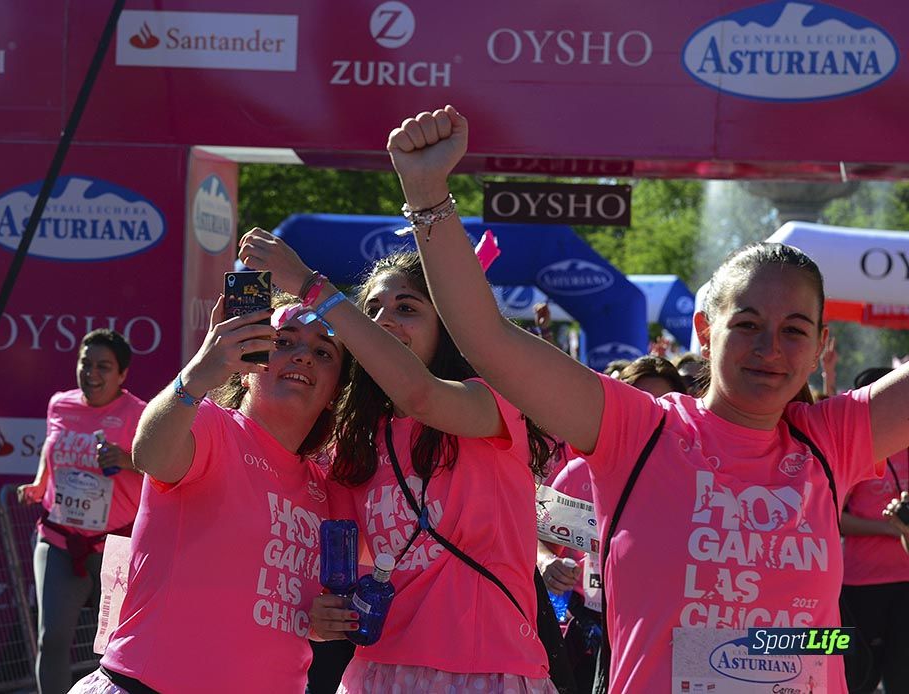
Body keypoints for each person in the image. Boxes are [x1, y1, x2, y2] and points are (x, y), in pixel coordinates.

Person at [385, 104, 909, 692]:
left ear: (820, 347)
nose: (771, 348)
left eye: (794, 330)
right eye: (748, 324)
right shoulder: (637, 429)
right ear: (707, 333)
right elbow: (486, 339)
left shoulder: (831, 439)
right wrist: (428, 193)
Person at [236, 233, 558, 693]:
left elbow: (421, 394)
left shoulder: (492, 405)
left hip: (487, 669)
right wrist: (320, 612)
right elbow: (339, 569)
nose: (384, 321)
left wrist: (310, 286)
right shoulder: (356, 441)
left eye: (406, 308)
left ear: (446, 327)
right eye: (372, 311)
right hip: (378, 672)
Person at [73, 295, 351, 693]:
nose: (304, 356)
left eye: (323, 351)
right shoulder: (212, 424)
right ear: (245, 370)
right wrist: (199, 374)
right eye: (284, 341)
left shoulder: (327, 487)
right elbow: (150, 454)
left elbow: (287, 603)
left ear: (334, 394)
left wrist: (318, 618)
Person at [542, 356, 687, 692]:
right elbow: (537, 537)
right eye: (637, 404)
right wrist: (547, 562)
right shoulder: (582, 472)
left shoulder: (699, 482)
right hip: (590, 632)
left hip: (671, 634)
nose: (648, 417)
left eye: (659, 407)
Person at [17, 329, 146, 694]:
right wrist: (39, 484)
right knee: (52, 639)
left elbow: (162, 465)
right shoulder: (60, 404)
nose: (91, 373)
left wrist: (125, 460)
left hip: (116, 547)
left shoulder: (140, 413)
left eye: (103, 367)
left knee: (116, 648)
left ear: (122, 375)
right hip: (60, 540)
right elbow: (50, 446)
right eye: (85, 364)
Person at [840, 366, 909, 693]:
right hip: (861, 583)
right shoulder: (851, 455)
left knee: (901, 677)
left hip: (905, 583)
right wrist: (888, 529)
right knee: (858, 678)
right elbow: (832, 518)